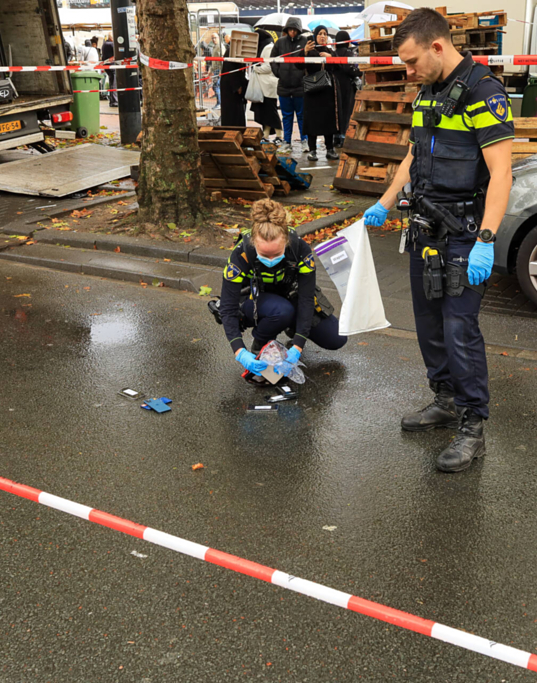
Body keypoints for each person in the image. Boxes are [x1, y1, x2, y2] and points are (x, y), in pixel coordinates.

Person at [363, 8, 514, 473]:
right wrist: (386, 201)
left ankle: (472, 426)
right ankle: (445, 400)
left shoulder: (484, 94)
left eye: (411, 62)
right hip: (425, 230)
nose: (408, 73)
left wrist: (487, 239)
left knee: (459, 330)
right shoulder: (428, 93)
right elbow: (414, 153)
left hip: (467, 235)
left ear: (437, 46)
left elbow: (502, 173)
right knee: (429, 325)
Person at [217, 199, 347, 385]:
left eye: (277, 254)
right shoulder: (242, 254)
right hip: (254, 302)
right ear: (254, 243)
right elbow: (228, 308)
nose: (271, 260)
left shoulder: (300, 249)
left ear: (286, 242)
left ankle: (289, 325)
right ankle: (259, 345)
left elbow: (306, 299)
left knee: (336, 338)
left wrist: (297, 346)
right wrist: (239, 351)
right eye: (264, 255)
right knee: (282, 310)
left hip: (289, 296)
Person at [300, 26, 340, 161]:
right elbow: (297, 65)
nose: (323, 36)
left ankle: (330, 149)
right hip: (312, 92)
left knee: (328, 121)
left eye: (325, 34)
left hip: (327, 92)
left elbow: (339, 66)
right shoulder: (309, 50)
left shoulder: (330, 51)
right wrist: (304, 52)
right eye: (320, 34)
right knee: (312, 122)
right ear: (315, 36)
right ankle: (313, 150)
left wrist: (331, 57)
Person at [271, 17, 308, 155]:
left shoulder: (305, 42)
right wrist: (279, 73)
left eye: (295, 29)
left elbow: (310, 59)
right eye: (290, 29)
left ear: (299, 30)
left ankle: (305, 140)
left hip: (300, 86)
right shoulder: (280, 42)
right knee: (286, 116)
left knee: (302, 116)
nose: (292, 32)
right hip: (284, 86)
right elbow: (272, 59)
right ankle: (286, 142)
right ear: (286, 29)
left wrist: (303, 75)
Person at [249, 29, 282, 141]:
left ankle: (279, 135)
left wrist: (255, 68)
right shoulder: (264, 47)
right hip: (263, 86)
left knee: (271, 112)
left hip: (268, 86)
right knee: (266, 113)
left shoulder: (268, 48)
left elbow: (269, 67)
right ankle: (266, 136)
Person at [333, 30, 361, 148]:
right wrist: (359, 72)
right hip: (347, 86)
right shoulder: (348, 54)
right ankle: (345, 137)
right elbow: (350, 69)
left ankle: (337, 137)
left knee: (337, 111)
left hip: (335, 86)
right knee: (347, 111)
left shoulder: (333, 54)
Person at [219, 34, 248, 127]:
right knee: (233, 113)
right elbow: (230, 70)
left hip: (231, 88)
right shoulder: (232, 51)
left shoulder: (233, 50)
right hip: (232, 90)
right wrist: (237, 86)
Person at [102, 33, 117, 107]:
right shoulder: (111, 44)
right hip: (112, 66)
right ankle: (114, 101)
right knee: (114, 83)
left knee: (112, 82)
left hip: (106, 66)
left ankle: (112, 100)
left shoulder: (104, 44)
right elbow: (117, 54)